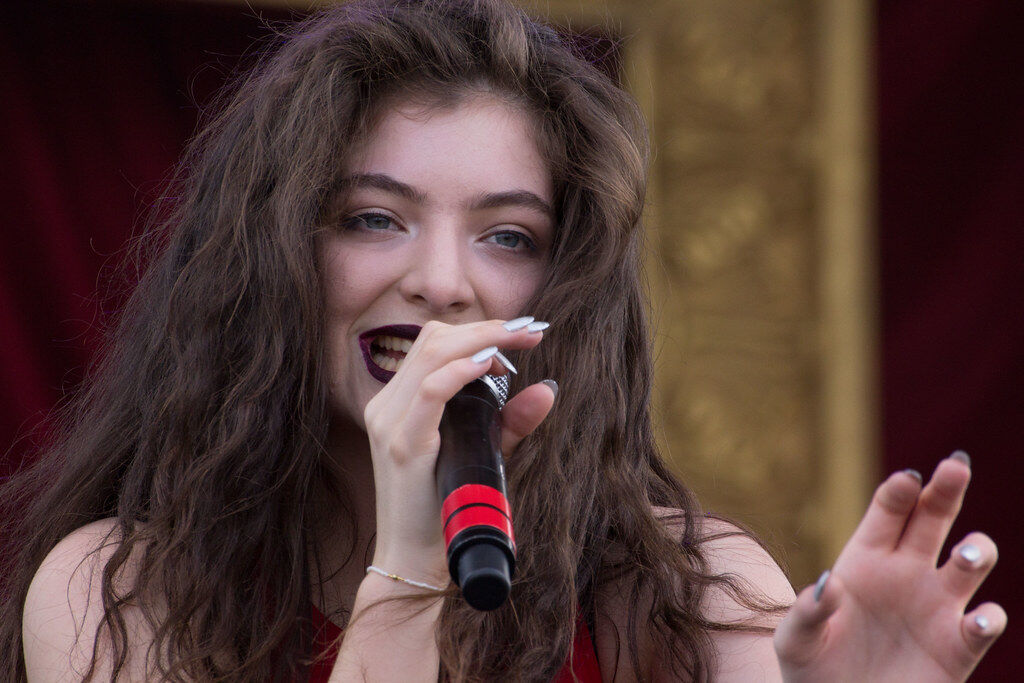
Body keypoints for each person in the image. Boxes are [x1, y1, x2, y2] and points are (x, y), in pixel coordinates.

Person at [0, 0, 1006, 680]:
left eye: (507, 235)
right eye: (371, 217)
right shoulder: (117, 588)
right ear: (271, 257)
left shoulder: (690, 595)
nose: (442, 280)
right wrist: (406, 568)